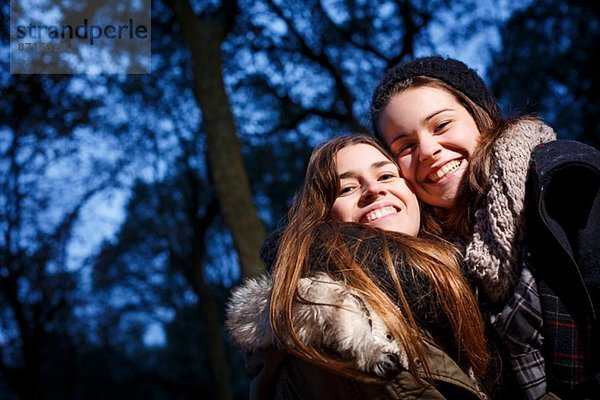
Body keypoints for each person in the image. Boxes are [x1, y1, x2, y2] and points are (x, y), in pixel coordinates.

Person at [370, 55, 600, 399]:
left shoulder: (563, 180)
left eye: (441, 125)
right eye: (406, 146)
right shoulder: (428, 263)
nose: (429, 150)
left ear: (481, 116)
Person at [226, 135, 490, 399]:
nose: (374, 190)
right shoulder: (320, 326)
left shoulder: (473, 290)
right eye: (347, 189)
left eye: (386, 176)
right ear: (322, 217)